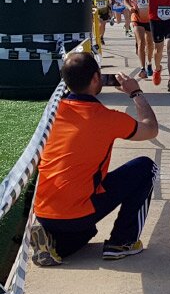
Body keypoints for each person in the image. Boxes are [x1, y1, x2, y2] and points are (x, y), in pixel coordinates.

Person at [28, 53, 160, 267]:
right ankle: (122, 242)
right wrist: (135, 93)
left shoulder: (53, 112)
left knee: (84, 234)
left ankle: (52, 244)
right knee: (146, 167)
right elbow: (151, 129)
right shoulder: (107, 117)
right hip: (77, 211)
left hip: (44, 210)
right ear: (96, 79)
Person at [124, 0, 153, 79]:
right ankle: (142, 68)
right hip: (137, 17)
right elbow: (125, 0)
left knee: (150, 44)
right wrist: (130, 8)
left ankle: (149, 63)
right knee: (141, 43)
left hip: (150, 19)